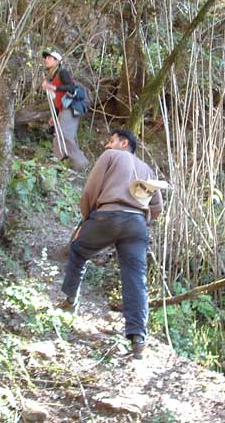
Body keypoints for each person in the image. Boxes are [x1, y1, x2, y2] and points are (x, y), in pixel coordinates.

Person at [57, 129, 166, 359]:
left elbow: (90, 190)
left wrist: (87, 220)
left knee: (78, 249)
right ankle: (138, 338)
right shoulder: (147, 169)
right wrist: (142, 216)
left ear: (123, 143)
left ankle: (70, 299)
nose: (107, 146)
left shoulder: (110, 157)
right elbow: (157, 208)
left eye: (111, 141)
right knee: (136, 279)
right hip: (136, 225)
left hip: (107, 216)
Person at [39, 50, 89, 171]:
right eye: (46, 58)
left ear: (57, 61)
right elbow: (58, 100)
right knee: (58, 137)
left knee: (65, 136)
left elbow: (71, 88)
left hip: (70, 108)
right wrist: (54, 115)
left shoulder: (63, 72)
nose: (46, 60)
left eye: (50, 58)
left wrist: (52, 87)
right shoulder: (54, 76)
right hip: (63, 110)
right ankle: (60, 163)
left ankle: (82, 164)